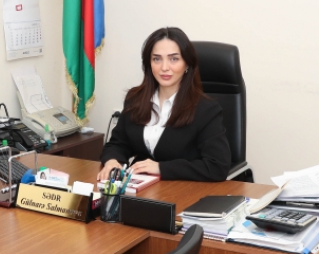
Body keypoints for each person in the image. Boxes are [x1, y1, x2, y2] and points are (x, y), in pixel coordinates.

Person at [98, 27, 231, 183]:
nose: (164, 67)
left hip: (184, 190)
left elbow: (217, 166)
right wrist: (112, 161)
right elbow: (118, 144)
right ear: (149, 63)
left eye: (174, 59)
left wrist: (161, 168)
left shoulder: (206, 110)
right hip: (139, 187)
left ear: (187, 64)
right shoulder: (135, 99)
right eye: (157, 59)